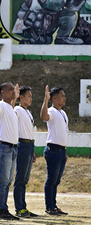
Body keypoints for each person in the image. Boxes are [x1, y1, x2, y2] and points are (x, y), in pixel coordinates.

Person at [40, 86, 69, 216]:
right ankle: (49, 207)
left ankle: (54, 205)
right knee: (51, 179)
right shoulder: (51, 111)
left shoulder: (62, 112)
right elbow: (43, 117)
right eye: (62, 96)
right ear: (54, 98)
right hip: (53, 149)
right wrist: (45, 101)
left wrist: (65, 152)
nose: (64, 98)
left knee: (56, 180)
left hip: (61, 151)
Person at [0, 82, 20, 221]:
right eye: (10, 90)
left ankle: (3, 208)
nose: (13, 91)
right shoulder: (0, 104)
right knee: (3, 180)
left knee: (8, 180)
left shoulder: (10, 107)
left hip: (12, 147)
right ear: (2, 93)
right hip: (4, 147)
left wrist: (14, 98)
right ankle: (1, 209)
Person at [13, 86, 39, 218]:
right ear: (21, 97)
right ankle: (19, 208)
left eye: (31, 96)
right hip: (21, 144)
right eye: (28, 96)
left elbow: (30, 132)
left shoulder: (28, 112)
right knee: (20, 178)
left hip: (29, 145)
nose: (30, 98)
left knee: (25, 179)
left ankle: (23, 207)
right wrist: (14, 97)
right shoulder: (17, 109)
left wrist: (33, 151)